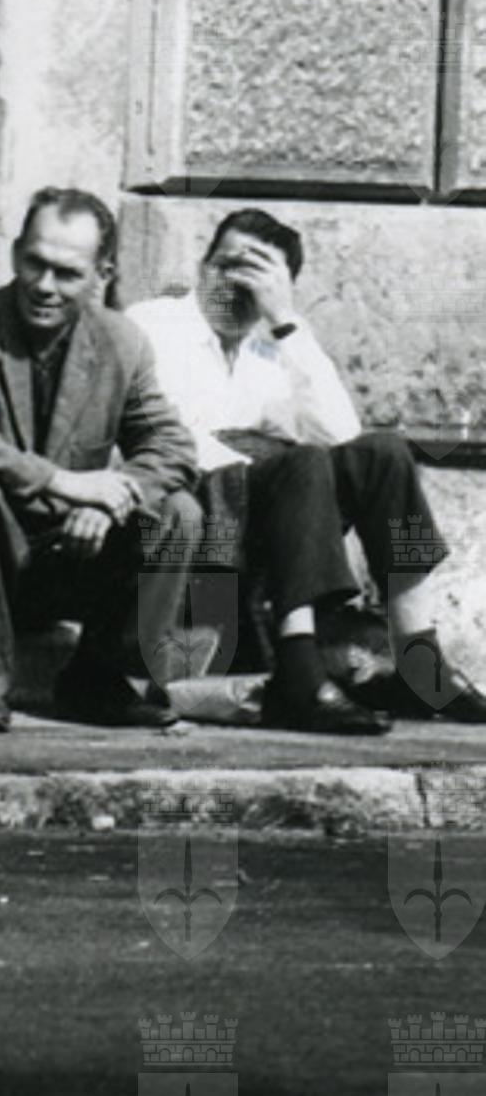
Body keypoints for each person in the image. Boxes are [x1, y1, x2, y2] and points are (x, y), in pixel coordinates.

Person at [127, 209, 486, 733]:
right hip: (190, 513)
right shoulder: (155, 324)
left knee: (385, 454)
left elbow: (342, 435)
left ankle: (418, 659)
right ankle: (299, 670)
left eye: (258, 273)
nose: (236, 283)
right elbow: (165, 437)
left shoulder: (278, 346)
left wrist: (286, 322)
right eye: (226, 265)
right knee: (301, 464)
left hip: (274, 517)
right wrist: (266, 460)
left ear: (283, 287)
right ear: (202, 267)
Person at [0, 187, 202, 732]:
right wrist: (64, 482)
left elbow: (171, 445)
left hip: (62, 559)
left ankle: (100, 678)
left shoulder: (123, 342)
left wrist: (111, 501)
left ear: (101, 275)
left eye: (66, 273)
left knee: (178, 509)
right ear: (15, 253)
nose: (44, 285)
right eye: (35, 263)